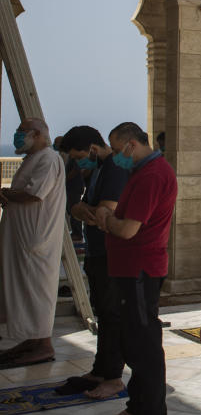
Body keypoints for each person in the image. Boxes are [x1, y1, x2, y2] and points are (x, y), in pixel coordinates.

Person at [94, 122, 177, 415]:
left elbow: (128, 228)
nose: (116, 155)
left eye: (117, 150)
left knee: (144, 344)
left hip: (140, 269)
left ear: (131, 144)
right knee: (134, 340)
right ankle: (139, 404)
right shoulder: (140, 172)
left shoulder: (152, 175)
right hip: (130, 268)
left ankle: (149, 409)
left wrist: (106, 219)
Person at [59, 126, 128, 399]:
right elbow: (78, 206)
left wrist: (90, 211)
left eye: (79, 156)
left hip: (111, 253)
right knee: (103, 314)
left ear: (92, 148)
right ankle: (100, 370)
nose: (78, 163)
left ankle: (113, 377)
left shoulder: (114, 168)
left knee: (113, 316)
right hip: (97, 251)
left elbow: (105, 211)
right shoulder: (98, 168)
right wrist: (88, 211)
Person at [0, 117, 65, 369]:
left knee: (35, 292)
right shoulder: (33, 159)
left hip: (35, 243)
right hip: (24, 241)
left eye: (21, 131)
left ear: (37, 134)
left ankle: (41, 343)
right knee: (22, 291)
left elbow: (33, 194)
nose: (17, 135)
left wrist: (5, 193)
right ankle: (28, 340)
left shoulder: (48, 159)